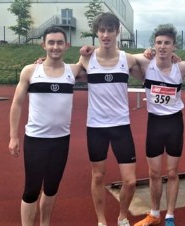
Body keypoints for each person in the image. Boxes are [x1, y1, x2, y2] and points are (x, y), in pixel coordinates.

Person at [8, 26, 84, 226]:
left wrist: (87, 51)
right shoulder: (31, 71)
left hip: (61, 141)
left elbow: (98, 60)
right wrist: (13, 136)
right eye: (51, 42)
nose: (55, 47)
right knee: (32, 189)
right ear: (43, 45)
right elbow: (16, 103)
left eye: (60, 42)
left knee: (51, 188)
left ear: (67, 45)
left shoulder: (72, 70)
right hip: (36, 140)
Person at [77, 12, 144, 226]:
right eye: (102, 30)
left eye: (110, 30)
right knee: (98, 176)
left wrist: (161, 56)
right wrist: (41, 63)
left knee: (130, 181)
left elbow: (152, 73)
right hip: (96, 127)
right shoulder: (87, 58)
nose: (106, 34)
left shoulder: (127, 59)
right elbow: (64, 72)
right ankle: (101, 221)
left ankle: (122, 216)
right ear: (97, 33)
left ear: (117, 31)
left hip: (121, 126)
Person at [132, 27, 185, 226]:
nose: (162, 46)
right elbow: (120, 57)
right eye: (158, 43)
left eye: (167, 43)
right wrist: (141, 53)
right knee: (153, 173)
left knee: (172, 173)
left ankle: (169, 215)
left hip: (174, 122)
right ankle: (154, 213)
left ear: (174, 46)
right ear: (154, 45)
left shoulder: (182, 67)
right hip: (155, 123)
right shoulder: (145, 64)